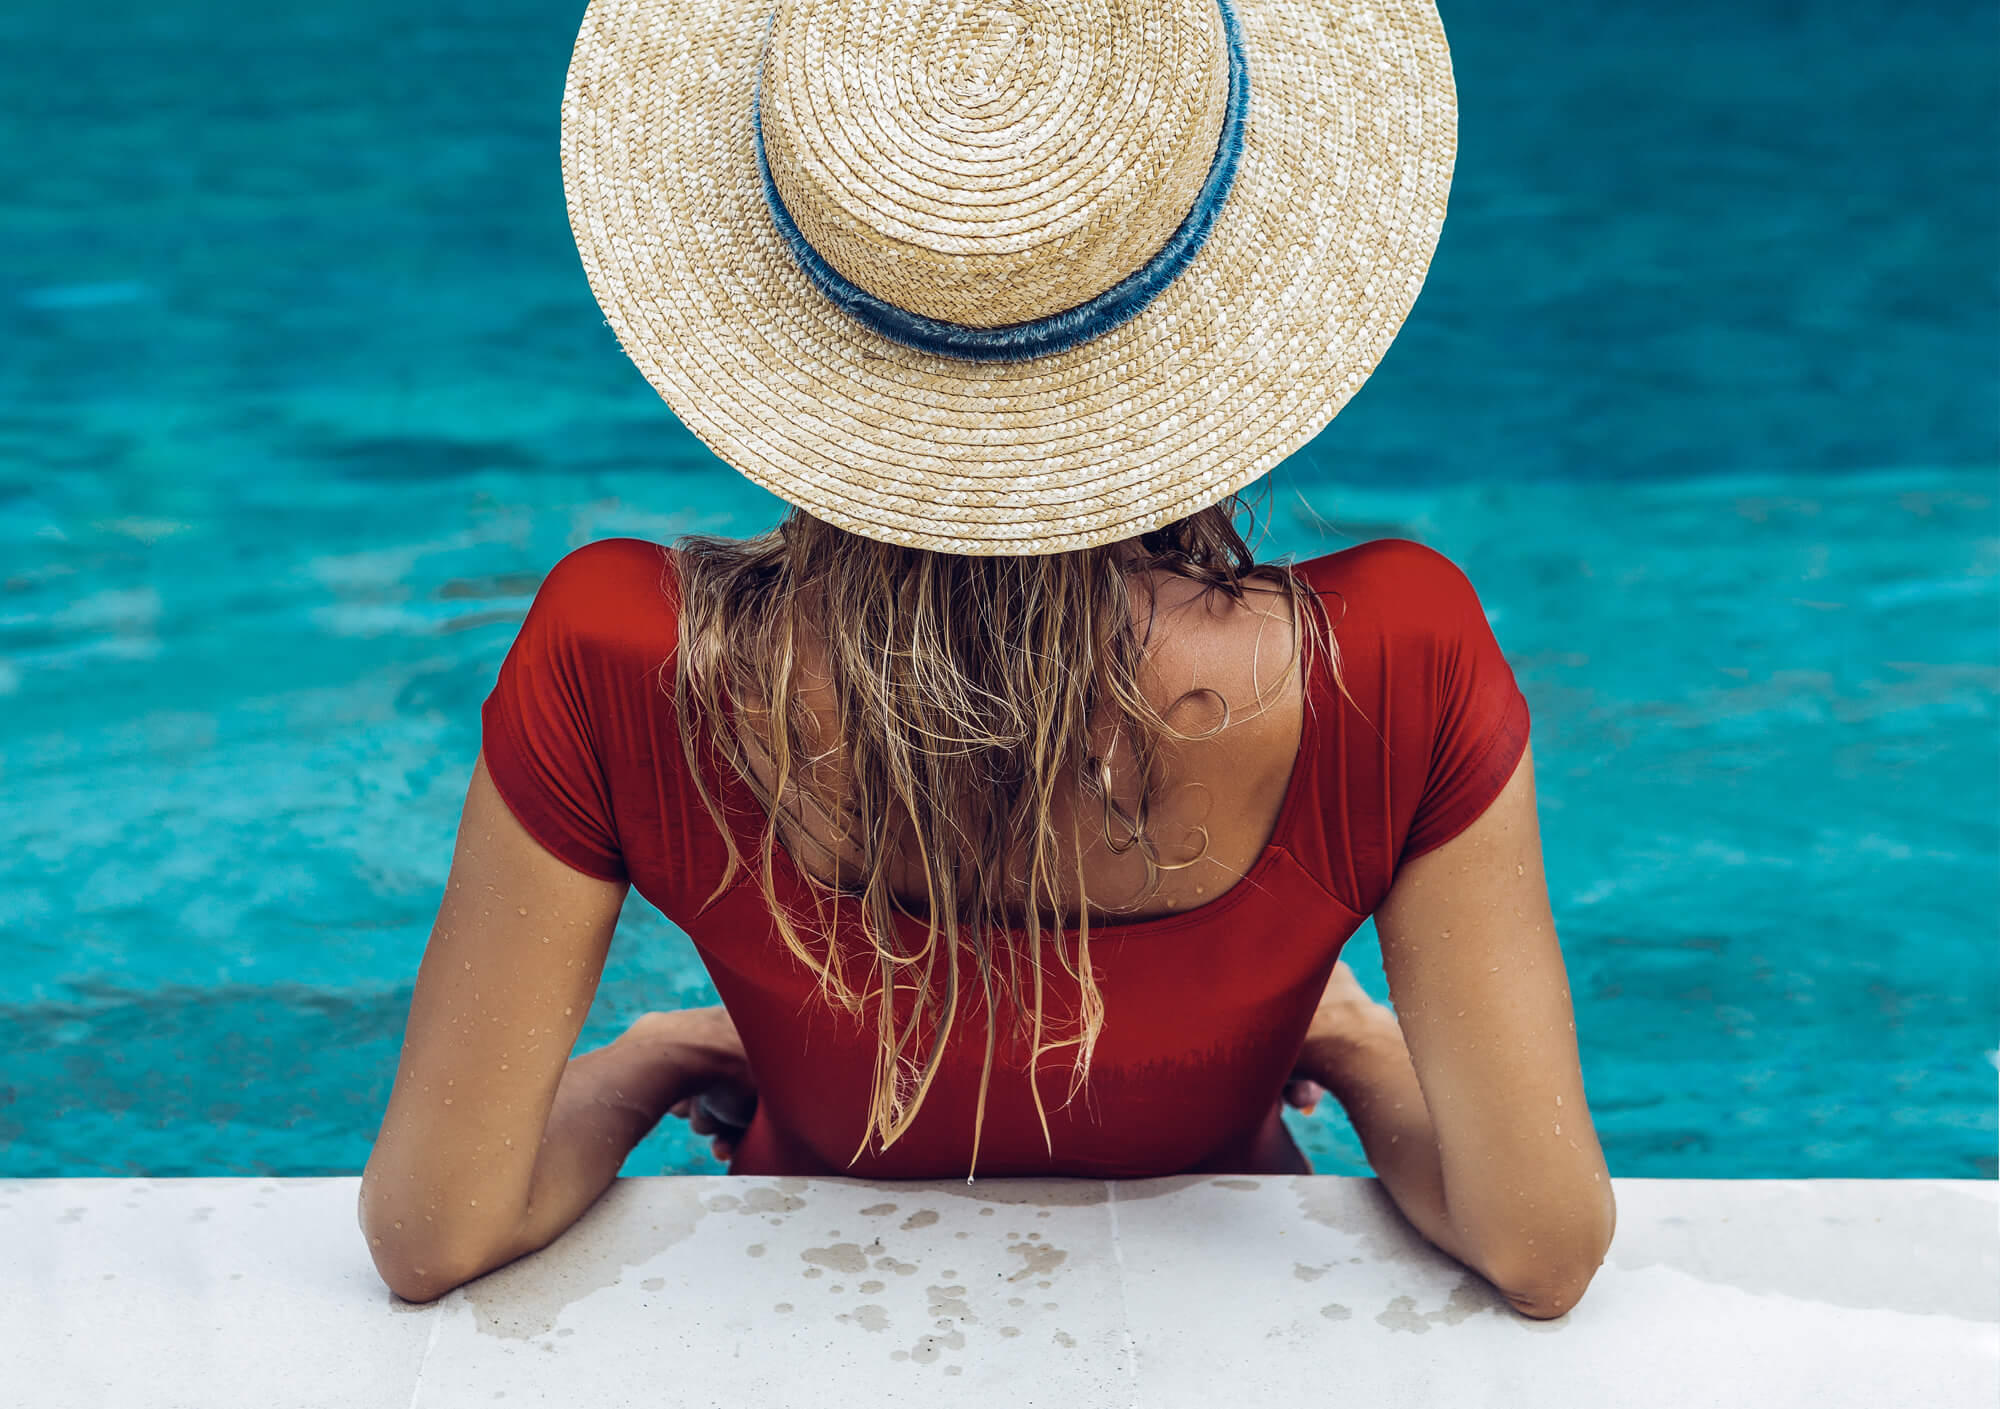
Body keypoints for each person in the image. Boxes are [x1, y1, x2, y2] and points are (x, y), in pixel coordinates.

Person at [359, 0, 1615, 1321]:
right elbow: (1539, 1242)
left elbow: (434, 1226)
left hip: (803, 1323)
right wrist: (1354, 1045)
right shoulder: (1392, 662)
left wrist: (653, 1058)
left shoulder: (619, 654)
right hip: (1214, 1326)